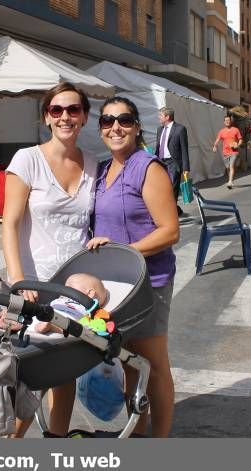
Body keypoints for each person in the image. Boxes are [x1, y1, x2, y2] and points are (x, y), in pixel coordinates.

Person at [2, 82, 97, 437]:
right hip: (30, 285)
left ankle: (56, 441)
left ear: (85, 116)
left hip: (72, 288)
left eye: (73, 110)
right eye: (57, 111)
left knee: (64, 371)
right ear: (46, 117)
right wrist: (16, 279)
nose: (65, 117)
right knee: (28, 378)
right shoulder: (26, 160)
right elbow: (9, 225)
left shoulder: (92, 164)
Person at [88, 96, 180, 438]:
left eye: (124, 120)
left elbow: (170, 230)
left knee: (154, 365)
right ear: (100, 130)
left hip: (148, 281)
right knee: (129, 364)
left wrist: (122, 250)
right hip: (115, 284)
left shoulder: (147, 166)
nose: (116, 127)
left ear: (137, 127)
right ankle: (138, 434)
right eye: (108, 121)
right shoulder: (102, 170)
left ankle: (159, 440)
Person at [0, 273, 109, 334]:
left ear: (90, 293)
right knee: (34, 312)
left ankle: (52, 327)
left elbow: (96, 324)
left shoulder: (90, 306)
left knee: (80, 328)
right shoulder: (62, 299)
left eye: (70, 286)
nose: (65, 289)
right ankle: (18, 322)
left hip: (70, 320)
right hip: (46, 313)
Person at [155, 107, 190, 215]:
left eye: (160, 115)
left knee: (172, 189)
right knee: (161, 189)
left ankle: (171, 214)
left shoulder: (180, 129)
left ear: (167, 117)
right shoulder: (160, 129)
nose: (158, 117)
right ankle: (175, 210)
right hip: (161, 162)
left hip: (173, 163)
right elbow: (158, 146)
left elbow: (184, 149)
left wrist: (185, 168)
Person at [212, 115, 243, 189]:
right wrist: (214, 146)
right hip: (225, 152)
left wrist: (237, 145)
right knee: (228, 167)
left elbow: (241, 140)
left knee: (231, 166)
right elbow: (217, 140)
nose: (227, 122)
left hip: (234, 152)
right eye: (226, 121)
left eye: (228, 120)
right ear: (224, 122)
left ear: (231, 121)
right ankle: (230, 180)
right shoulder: (221, 131)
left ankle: (230, 181)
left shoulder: (235, 130)